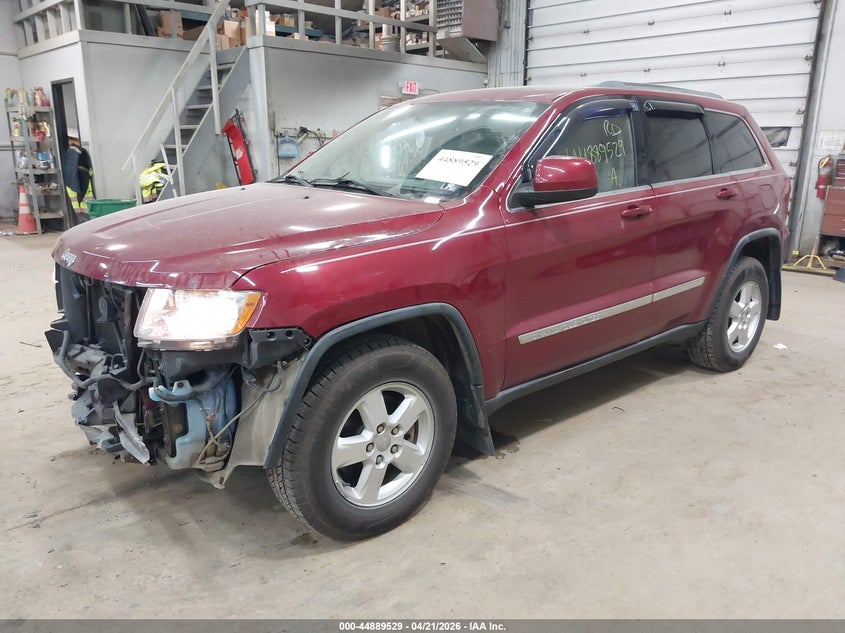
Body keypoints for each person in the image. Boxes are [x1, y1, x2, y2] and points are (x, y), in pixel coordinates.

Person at [62, 128, 94, 223]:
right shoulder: (81, 153)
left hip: (77, 206)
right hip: (87, 204)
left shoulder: (68, 155)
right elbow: (89, 171)